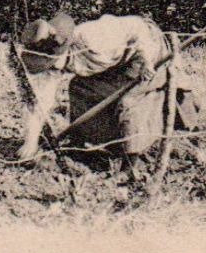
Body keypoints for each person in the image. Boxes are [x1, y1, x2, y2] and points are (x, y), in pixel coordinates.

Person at [14, 9, 191, 173]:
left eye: (53, 64)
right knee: (79, 88)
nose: (53, 69)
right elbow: (39, 103)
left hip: (147, 51)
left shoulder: (94, 37)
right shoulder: (53, 65)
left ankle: (129, 167)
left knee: (129, 102)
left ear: (64, 49)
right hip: (115, 63)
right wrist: (30, 143)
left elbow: (137, 29)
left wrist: (146, 61)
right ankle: (80, 146)